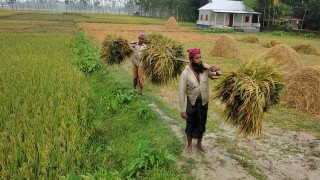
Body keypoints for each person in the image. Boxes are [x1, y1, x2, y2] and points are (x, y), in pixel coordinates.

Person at [179, 48, 221, 155]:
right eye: (197, 58)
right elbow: (181, 92)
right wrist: (182, 110)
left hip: (203, 102)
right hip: (192, 102)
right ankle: (189, 145)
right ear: (191, 59)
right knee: (190, 123)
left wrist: (215, 68)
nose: (199, 60)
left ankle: (199, 143)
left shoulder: (204, 69)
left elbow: (218, 74)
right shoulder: (185, 73)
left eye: (200, 57)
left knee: (202, 123)